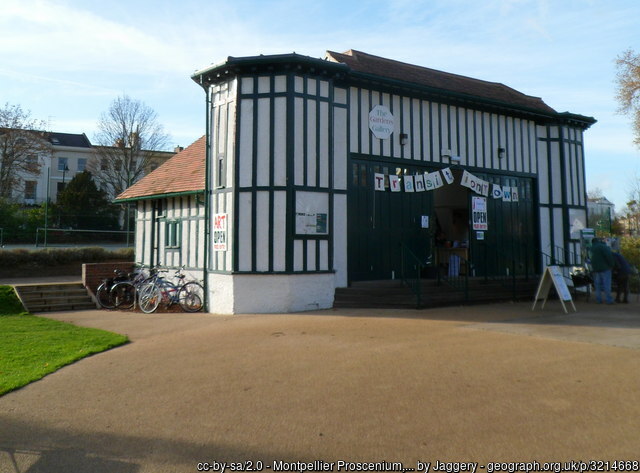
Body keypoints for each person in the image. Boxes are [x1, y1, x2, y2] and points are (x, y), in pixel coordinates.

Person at [589, 238, 615, 304]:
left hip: (595, 269)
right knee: (606, 284)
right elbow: (609, 256)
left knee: (597, 285)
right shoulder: (603, 247)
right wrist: (612, 265)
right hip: (605, 268)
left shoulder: (591, 248)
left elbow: (590, 258)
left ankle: (598, 299)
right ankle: (609, 300)